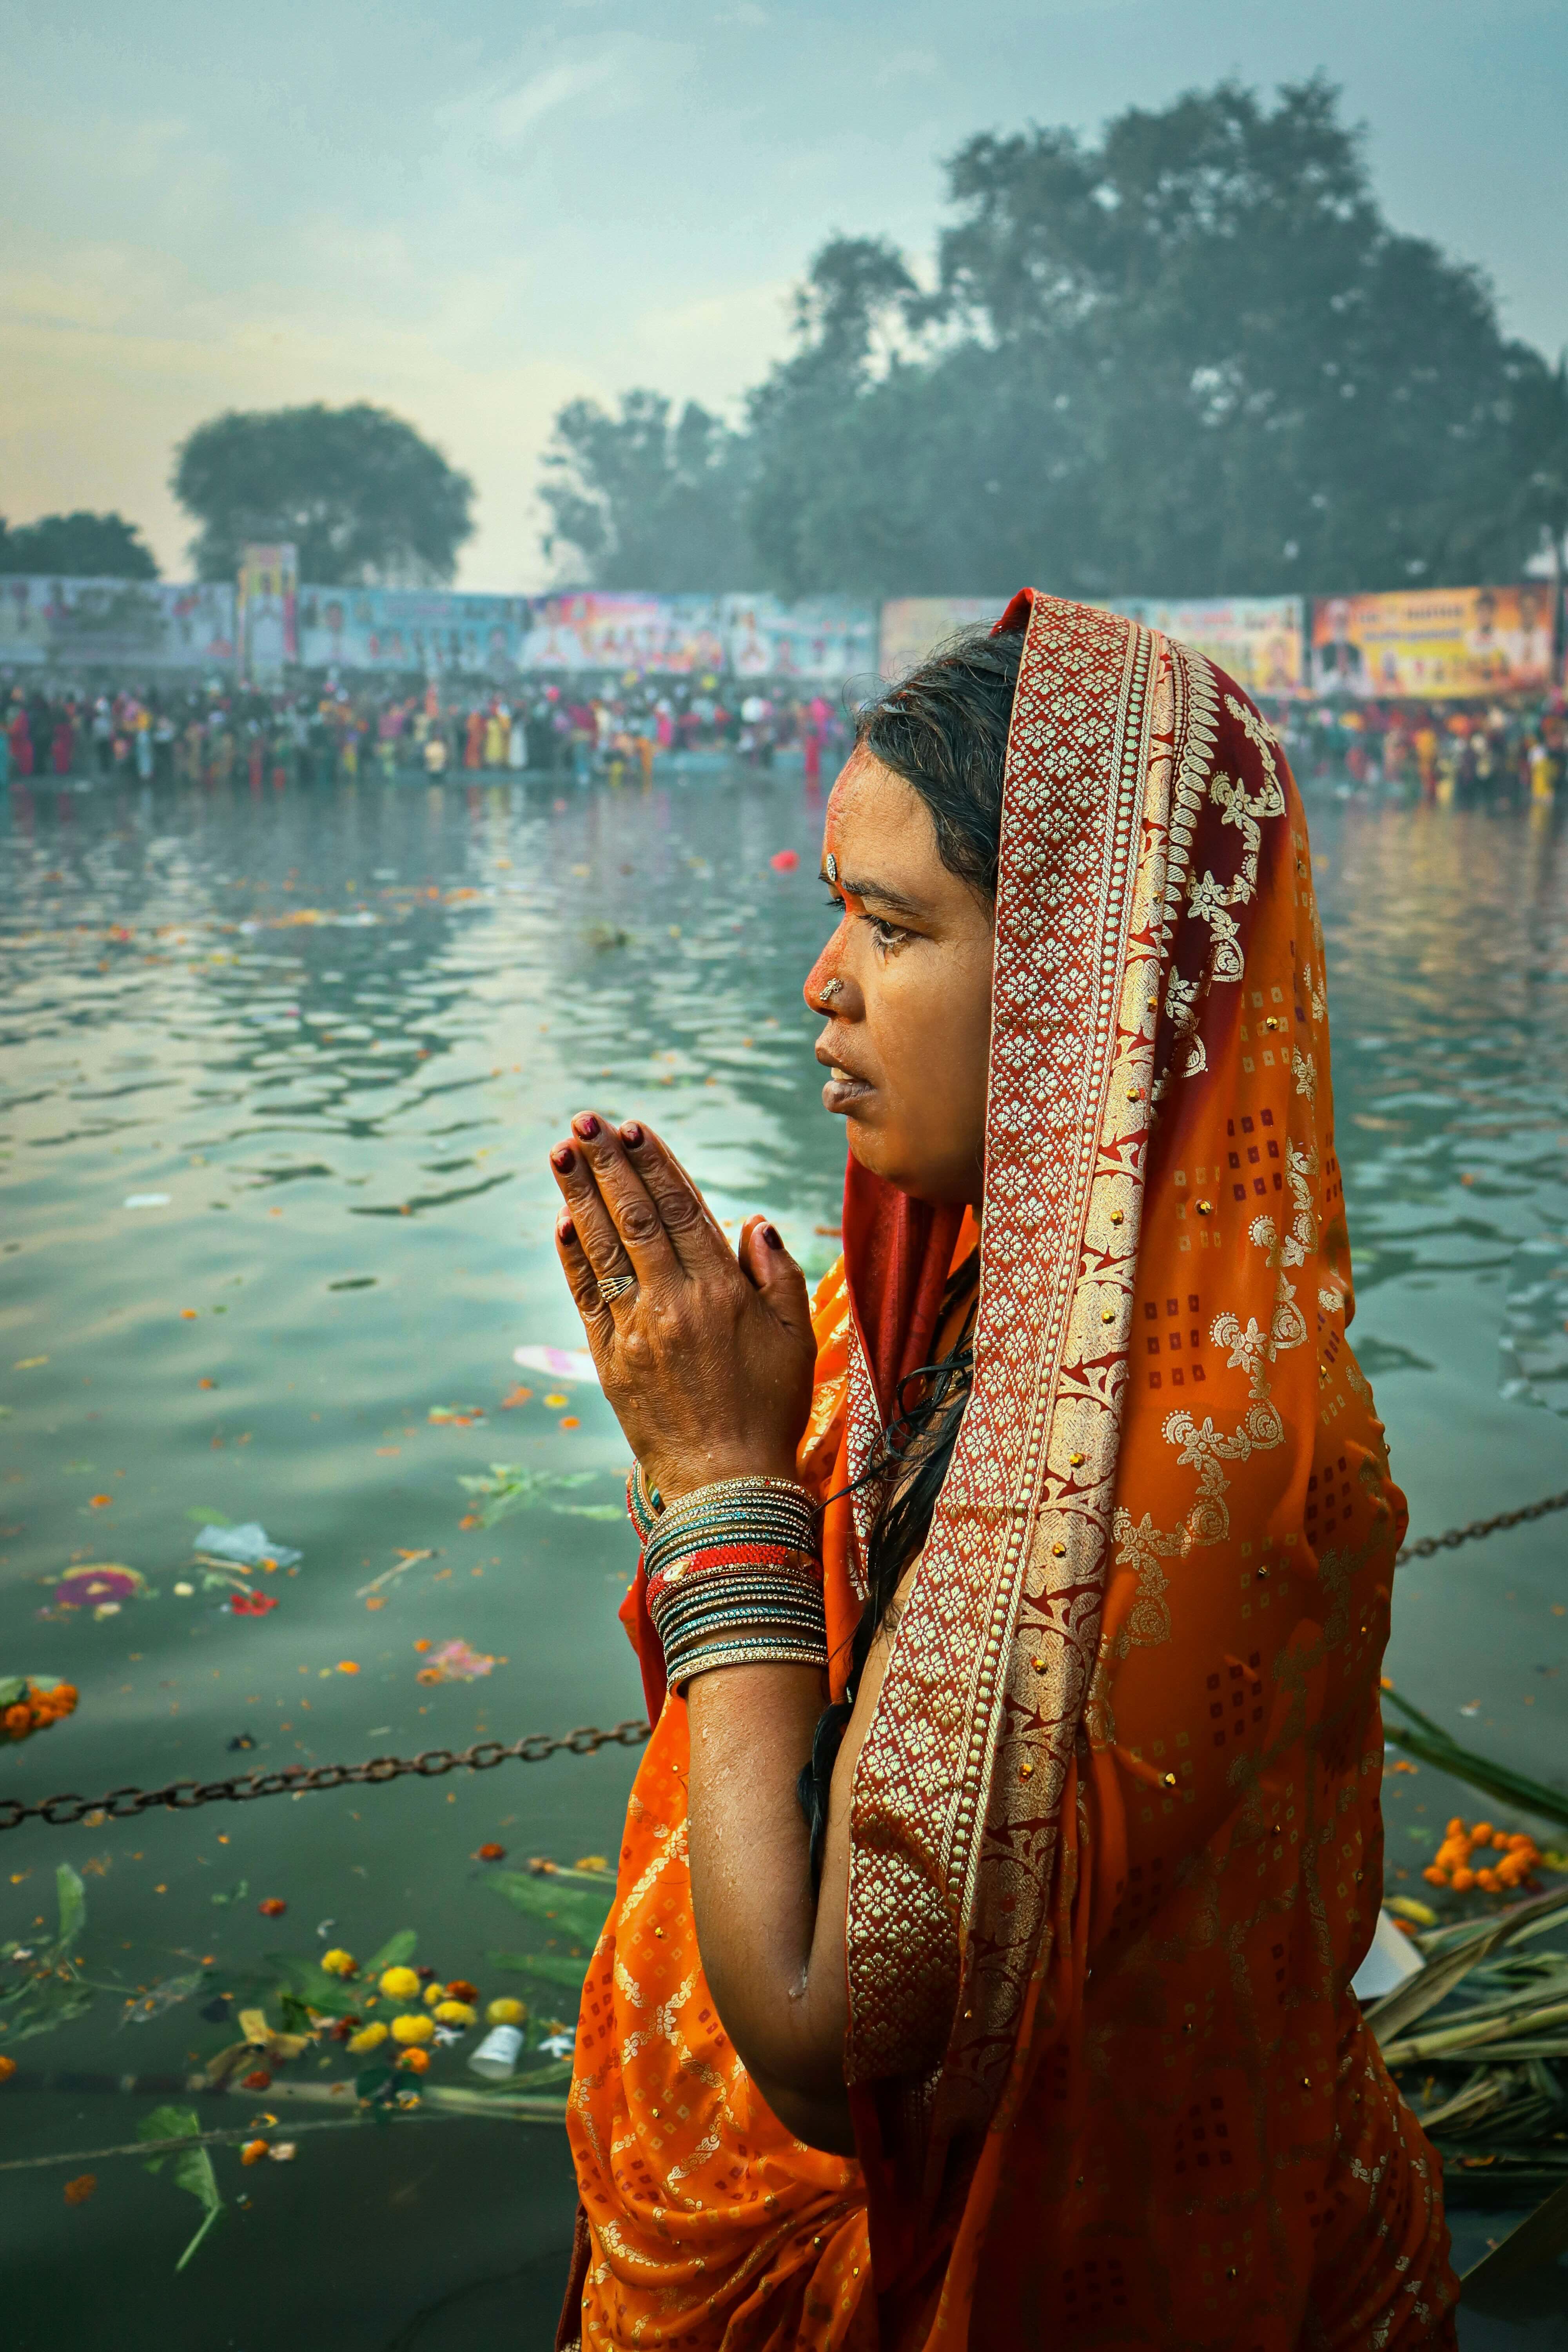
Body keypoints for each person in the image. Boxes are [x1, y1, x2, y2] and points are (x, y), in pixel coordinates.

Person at [544, 592, 1458, 2352]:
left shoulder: (1177, 1476)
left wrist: (722, 1483)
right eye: (836, 915)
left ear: (1081, 991)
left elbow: (833, 2046)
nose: (822, 986)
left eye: (889, 926)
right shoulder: (964, 1305)